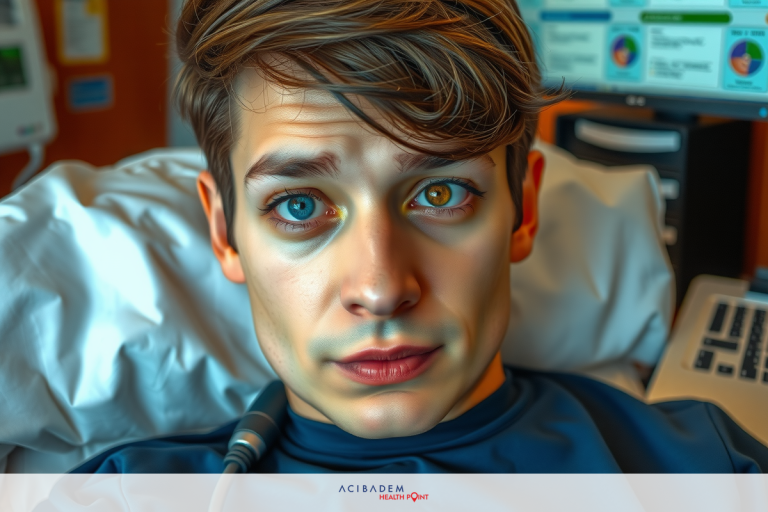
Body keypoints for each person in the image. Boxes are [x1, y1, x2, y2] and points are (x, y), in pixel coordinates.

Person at [76, 0, 768, 473]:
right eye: (297, 205)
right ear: (225, 232)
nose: (380, 289)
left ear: (522, 208)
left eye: (440, 193)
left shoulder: (701, 467)